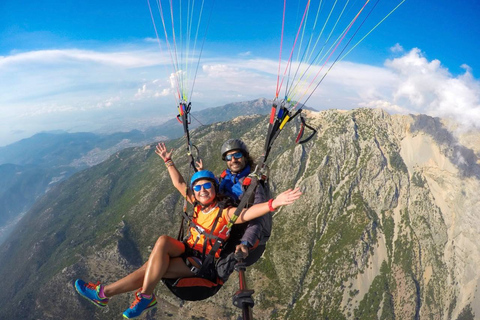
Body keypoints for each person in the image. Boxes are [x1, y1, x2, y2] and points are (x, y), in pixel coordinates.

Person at [74, 165, 301, 318]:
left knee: (151, 269)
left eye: (207, 186)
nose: (202, 191)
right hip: (187, 249)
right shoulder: (197, 204)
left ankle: (115, 294)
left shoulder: (224, 212)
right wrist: (169, 162)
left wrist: (274, 203)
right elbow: (179, 184)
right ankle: (120, 295)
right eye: (198, 188)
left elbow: (248, 214)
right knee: (161, 243)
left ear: (215, 189)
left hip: (200, 262)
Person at [190, 139, 272, 281]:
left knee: (220, 271)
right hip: (226, 227)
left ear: (245, 157)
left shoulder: (253, 185)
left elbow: (258, 218)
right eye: (229, 157)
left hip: (244, 232)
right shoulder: (224, 179)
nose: (233, 160)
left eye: (237, 155)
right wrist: (201, 173)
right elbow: (208, 188)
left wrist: (246, 242)